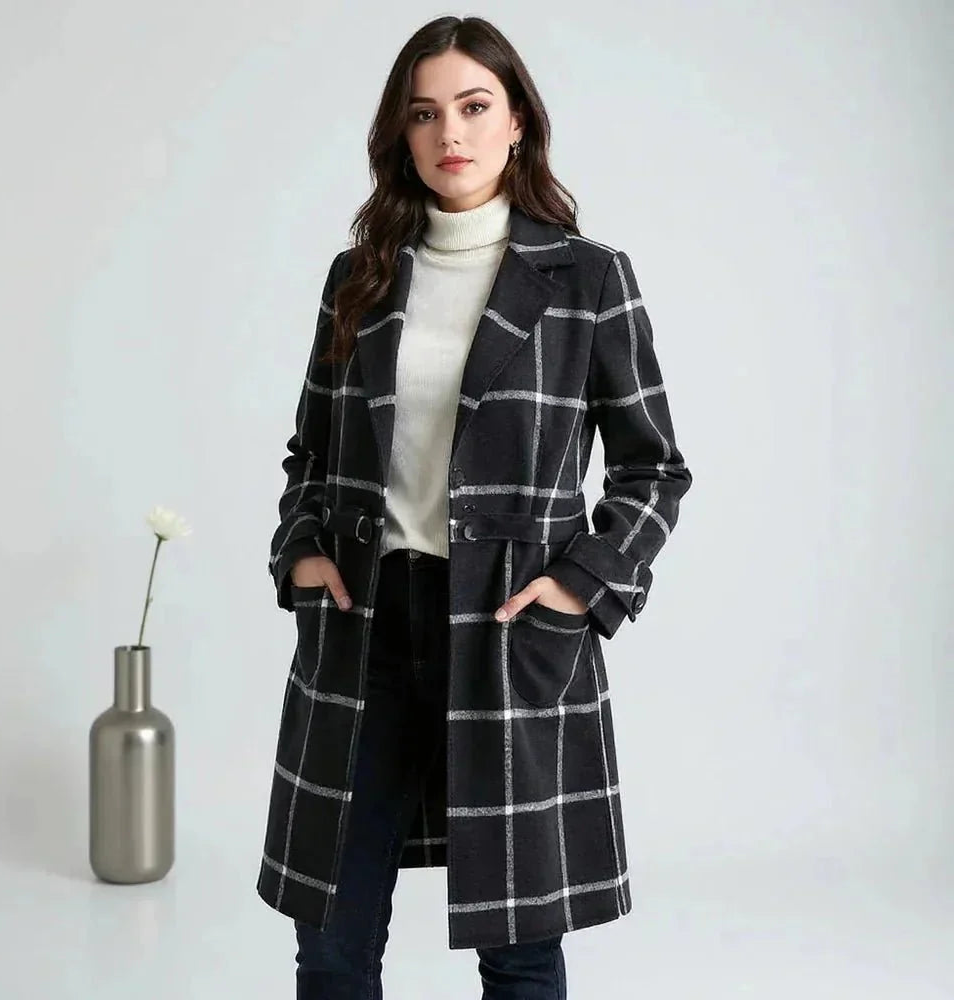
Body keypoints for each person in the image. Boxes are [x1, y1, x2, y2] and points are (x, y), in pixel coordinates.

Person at [259, 14, 692, 1000]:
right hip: (364, 626)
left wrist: (580, 584)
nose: (449, 132)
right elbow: (310, 452)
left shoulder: (586, 279)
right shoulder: (359, 278)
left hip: (508, 629)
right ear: (400, 135)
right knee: (330, 939)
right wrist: (301, 551)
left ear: (517, 121)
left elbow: (654, 468)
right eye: (424, 113)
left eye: (473, 105)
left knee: (520, 947)